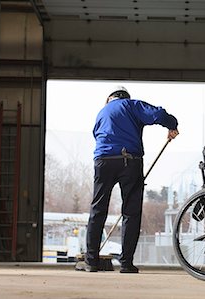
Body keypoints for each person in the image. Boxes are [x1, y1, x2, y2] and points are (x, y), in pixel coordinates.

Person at [77, 86, 179, 273]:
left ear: (109, 98)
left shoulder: (102, 112)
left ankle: (91, 261)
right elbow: (159, 114)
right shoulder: (132, 105)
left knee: (98, 209)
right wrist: (173, 124)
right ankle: (126, 263)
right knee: (131, 212)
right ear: (125, 97)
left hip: (103, 161)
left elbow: (96, 135)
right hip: (129, 161)